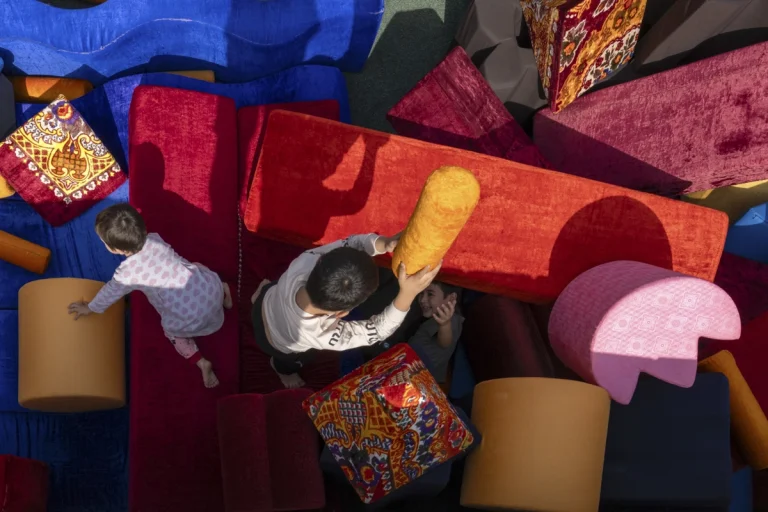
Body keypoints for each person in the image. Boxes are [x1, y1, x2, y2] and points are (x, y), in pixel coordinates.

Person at [67, 203, 231, 388]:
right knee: (196, 266)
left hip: (192, 319)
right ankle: (224, 292)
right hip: (211, 290)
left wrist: (90, 307)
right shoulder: (155, 239)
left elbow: (109, 293)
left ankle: (201, 362)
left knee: (172, 333)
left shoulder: (126, 274)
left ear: (114, 249)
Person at [251, 233, 441, 388]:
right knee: (297, 358)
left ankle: (258, 294)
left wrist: (384, 243)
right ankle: (281, 370)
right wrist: (407, 294)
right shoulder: (319, 334)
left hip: (266, 300)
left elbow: (351, 243)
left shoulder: (305, 260)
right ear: (342, 314)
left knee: (273, 288)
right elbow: (376, 331)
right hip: (276, 343)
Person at [408, 282, 463, 385]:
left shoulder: (450, 321)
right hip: (414, 369)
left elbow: (445, 343)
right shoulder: (436, 316)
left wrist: (444, 324)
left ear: (451, 298)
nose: (422, 300)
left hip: (420, 378)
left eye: (430, 294)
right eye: (421, 293)